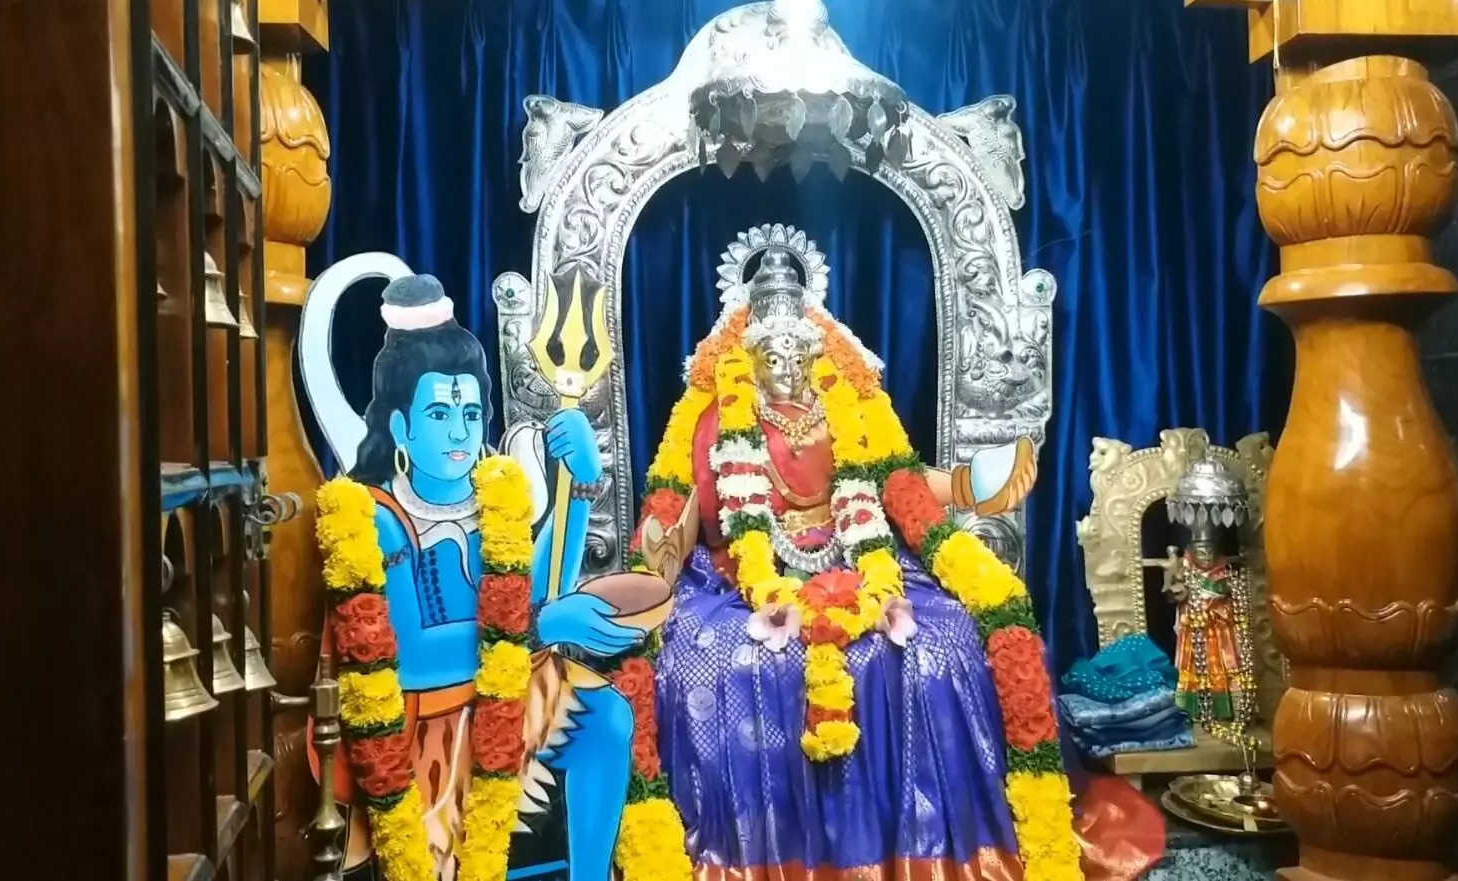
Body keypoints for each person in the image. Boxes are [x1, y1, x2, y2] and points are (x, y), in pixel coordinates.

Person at [636, 241, 1071, 880]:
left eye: (798, 355)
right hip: (742, 576)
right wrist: (658, 546)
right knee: (710, 660)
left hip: (858, 557)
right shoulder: (715, 417)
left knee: (946, 643)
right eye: (772, 356)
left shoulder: (850, 407)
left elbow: (901, 482)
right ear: (749, 356)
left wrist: (972, 484)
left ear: (817, 353)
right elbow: (681, 505)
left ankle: (929, 847)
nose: (787, 368)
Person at [318, 274, 639, 881]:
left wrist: (577, 488)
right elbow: (410, 655)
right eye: (439, 413)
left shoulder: (495, 497)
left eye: (470, 412)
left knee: (608, 719)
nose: (459, 431)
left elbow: (536, 591)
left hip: (503, 689)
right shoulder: (376, 516)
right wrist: (541, 627)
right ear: (402, 428)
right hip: (425, 716)